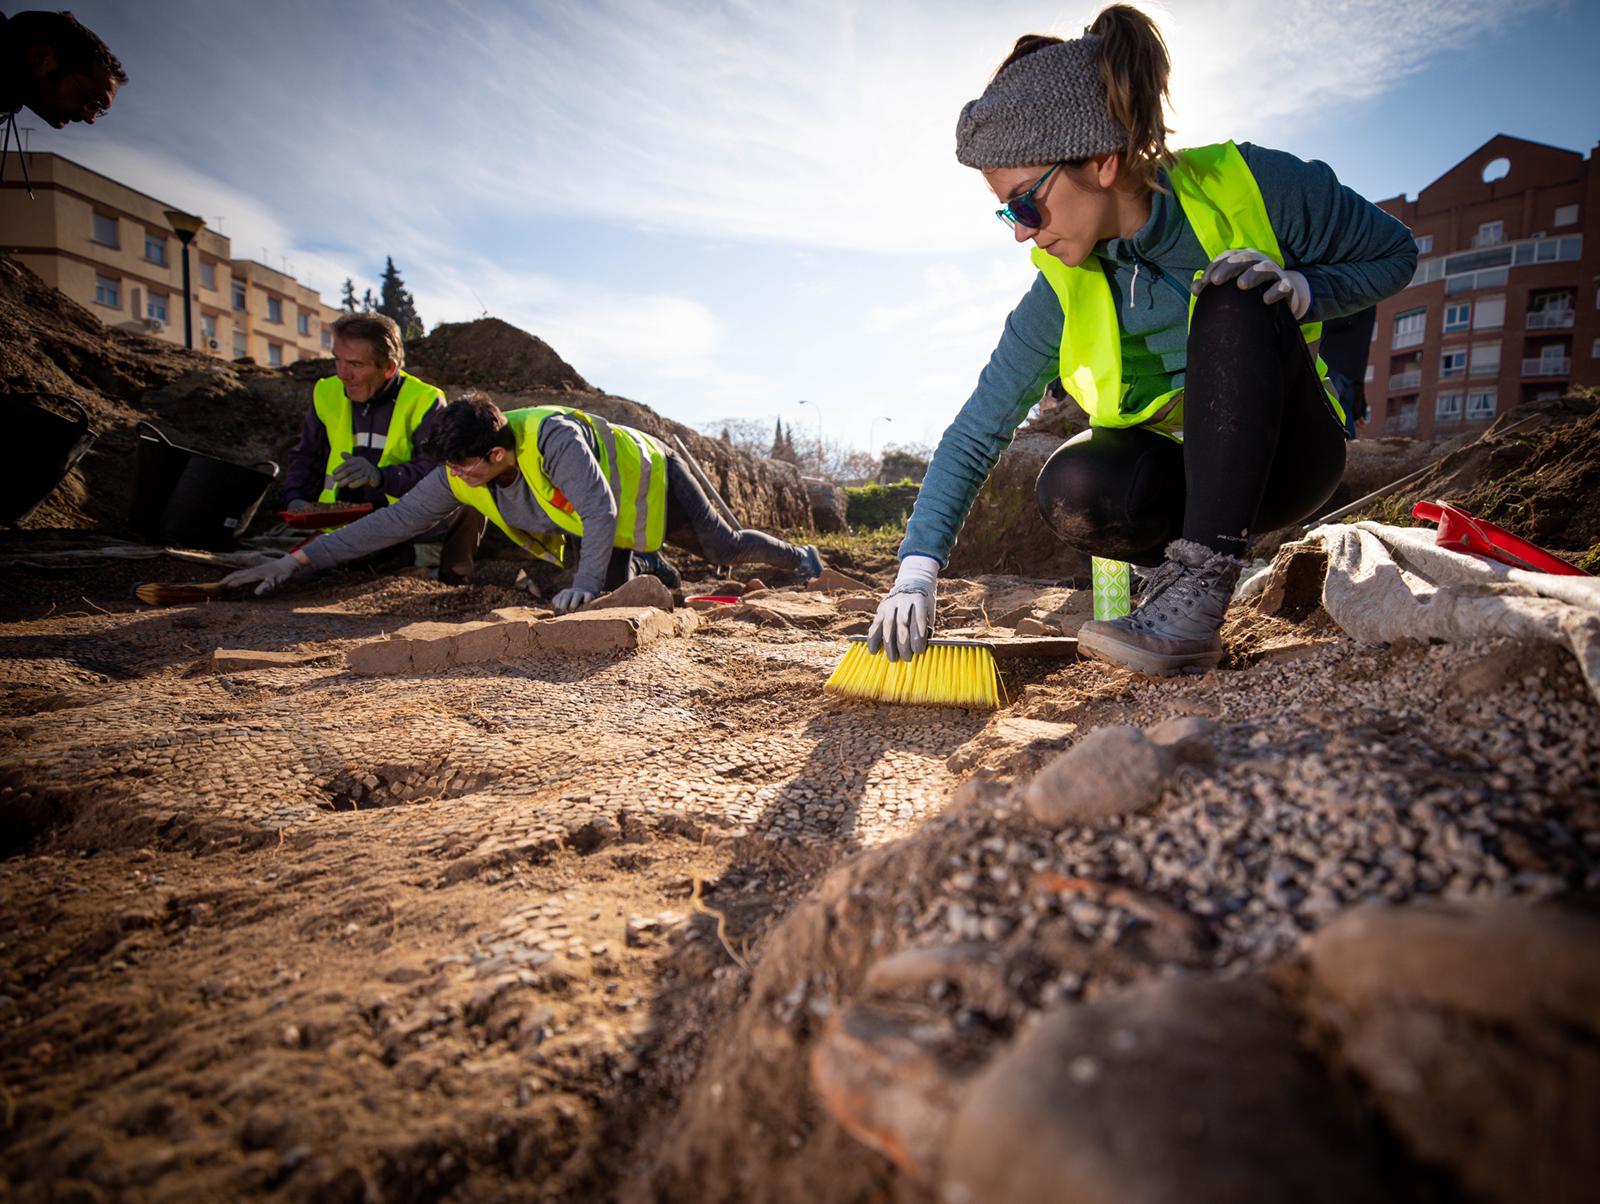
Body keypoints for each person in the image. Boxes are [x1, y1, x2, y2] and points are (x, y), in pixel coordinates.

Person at [867, 5, 1416, 676]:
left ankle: (1199, 594)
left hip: (1288, 462)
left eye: (1024, 205)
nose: (1018, 231)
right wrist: (915, 572)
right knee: (1073, 481)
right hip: (1181, 487)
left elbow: (1395, 253)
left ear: (1101, 162)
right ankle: (1175, 582)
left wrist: (1301, 290)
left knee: (1232, 289)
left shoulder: (1257, 187)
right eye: (1004, 212)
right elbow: (978, 427)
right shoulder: (1062, 288)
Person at [223, 393, 825, 606]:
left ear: (497, 454)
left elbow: (599, 512)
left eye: (462, 467)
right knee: (614, 590)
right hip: (609, 518)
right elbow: (394, 523)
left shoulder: (551, 439)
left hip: (652, 477)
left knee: (721, 547)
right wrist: (295, 561)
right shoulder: (463, 469)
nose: (454, 479)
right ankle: (651, 568)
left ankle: (801, 560)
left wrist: (584, 584)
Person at [282, 312, 481, 579]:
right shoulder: (326, 393)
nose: (343, 374)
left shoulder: (423, 401)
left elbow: (438, 474)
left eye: (355, 364)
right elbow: (307, 456)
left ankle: (452, 579)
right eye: (337, 360)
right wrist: (296, 498)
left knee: (471, 493)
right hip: (341, 523)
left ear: (389, 367)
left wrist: (381, 477)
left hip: (405, 523)